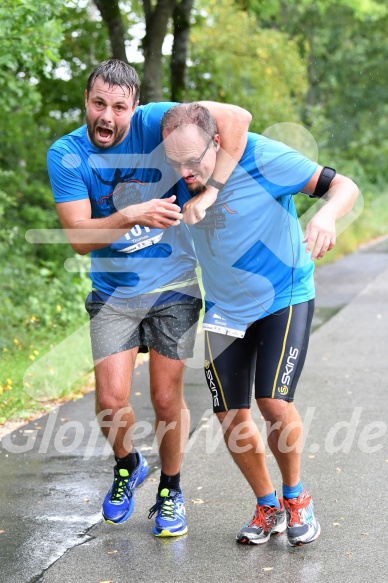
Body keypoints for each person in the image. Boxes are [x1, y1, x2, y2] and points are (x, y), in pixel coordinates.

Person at [47, 60, 251, 537]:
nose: (108, 117)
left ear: (135, 107)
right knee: (110, 402)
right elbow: (78, 238)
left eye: (119, 107)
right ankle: (128, 464)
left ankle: (171, 489)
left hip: (173, 286)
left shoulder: (157, 120)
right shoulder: (67, 154)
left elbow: (238, 119)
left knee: (164, 398)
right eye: (99, 104)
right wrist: (133, 213)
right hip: (113, 291)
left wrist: (209, 193)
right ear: (86, 101)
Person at [161, 103, 359, 546]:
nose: (185, 171)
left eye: (194, 161)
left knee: (272, 402)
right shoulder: (172, 176)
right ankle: (267, 505)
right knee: (229, 413)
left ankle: (296, 498)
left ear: (218, 142)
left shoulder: (264, 158)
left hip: (283, 295)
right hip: (225, 307)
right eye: (176, 162)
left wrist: (325, 216)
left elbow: (342, 186)